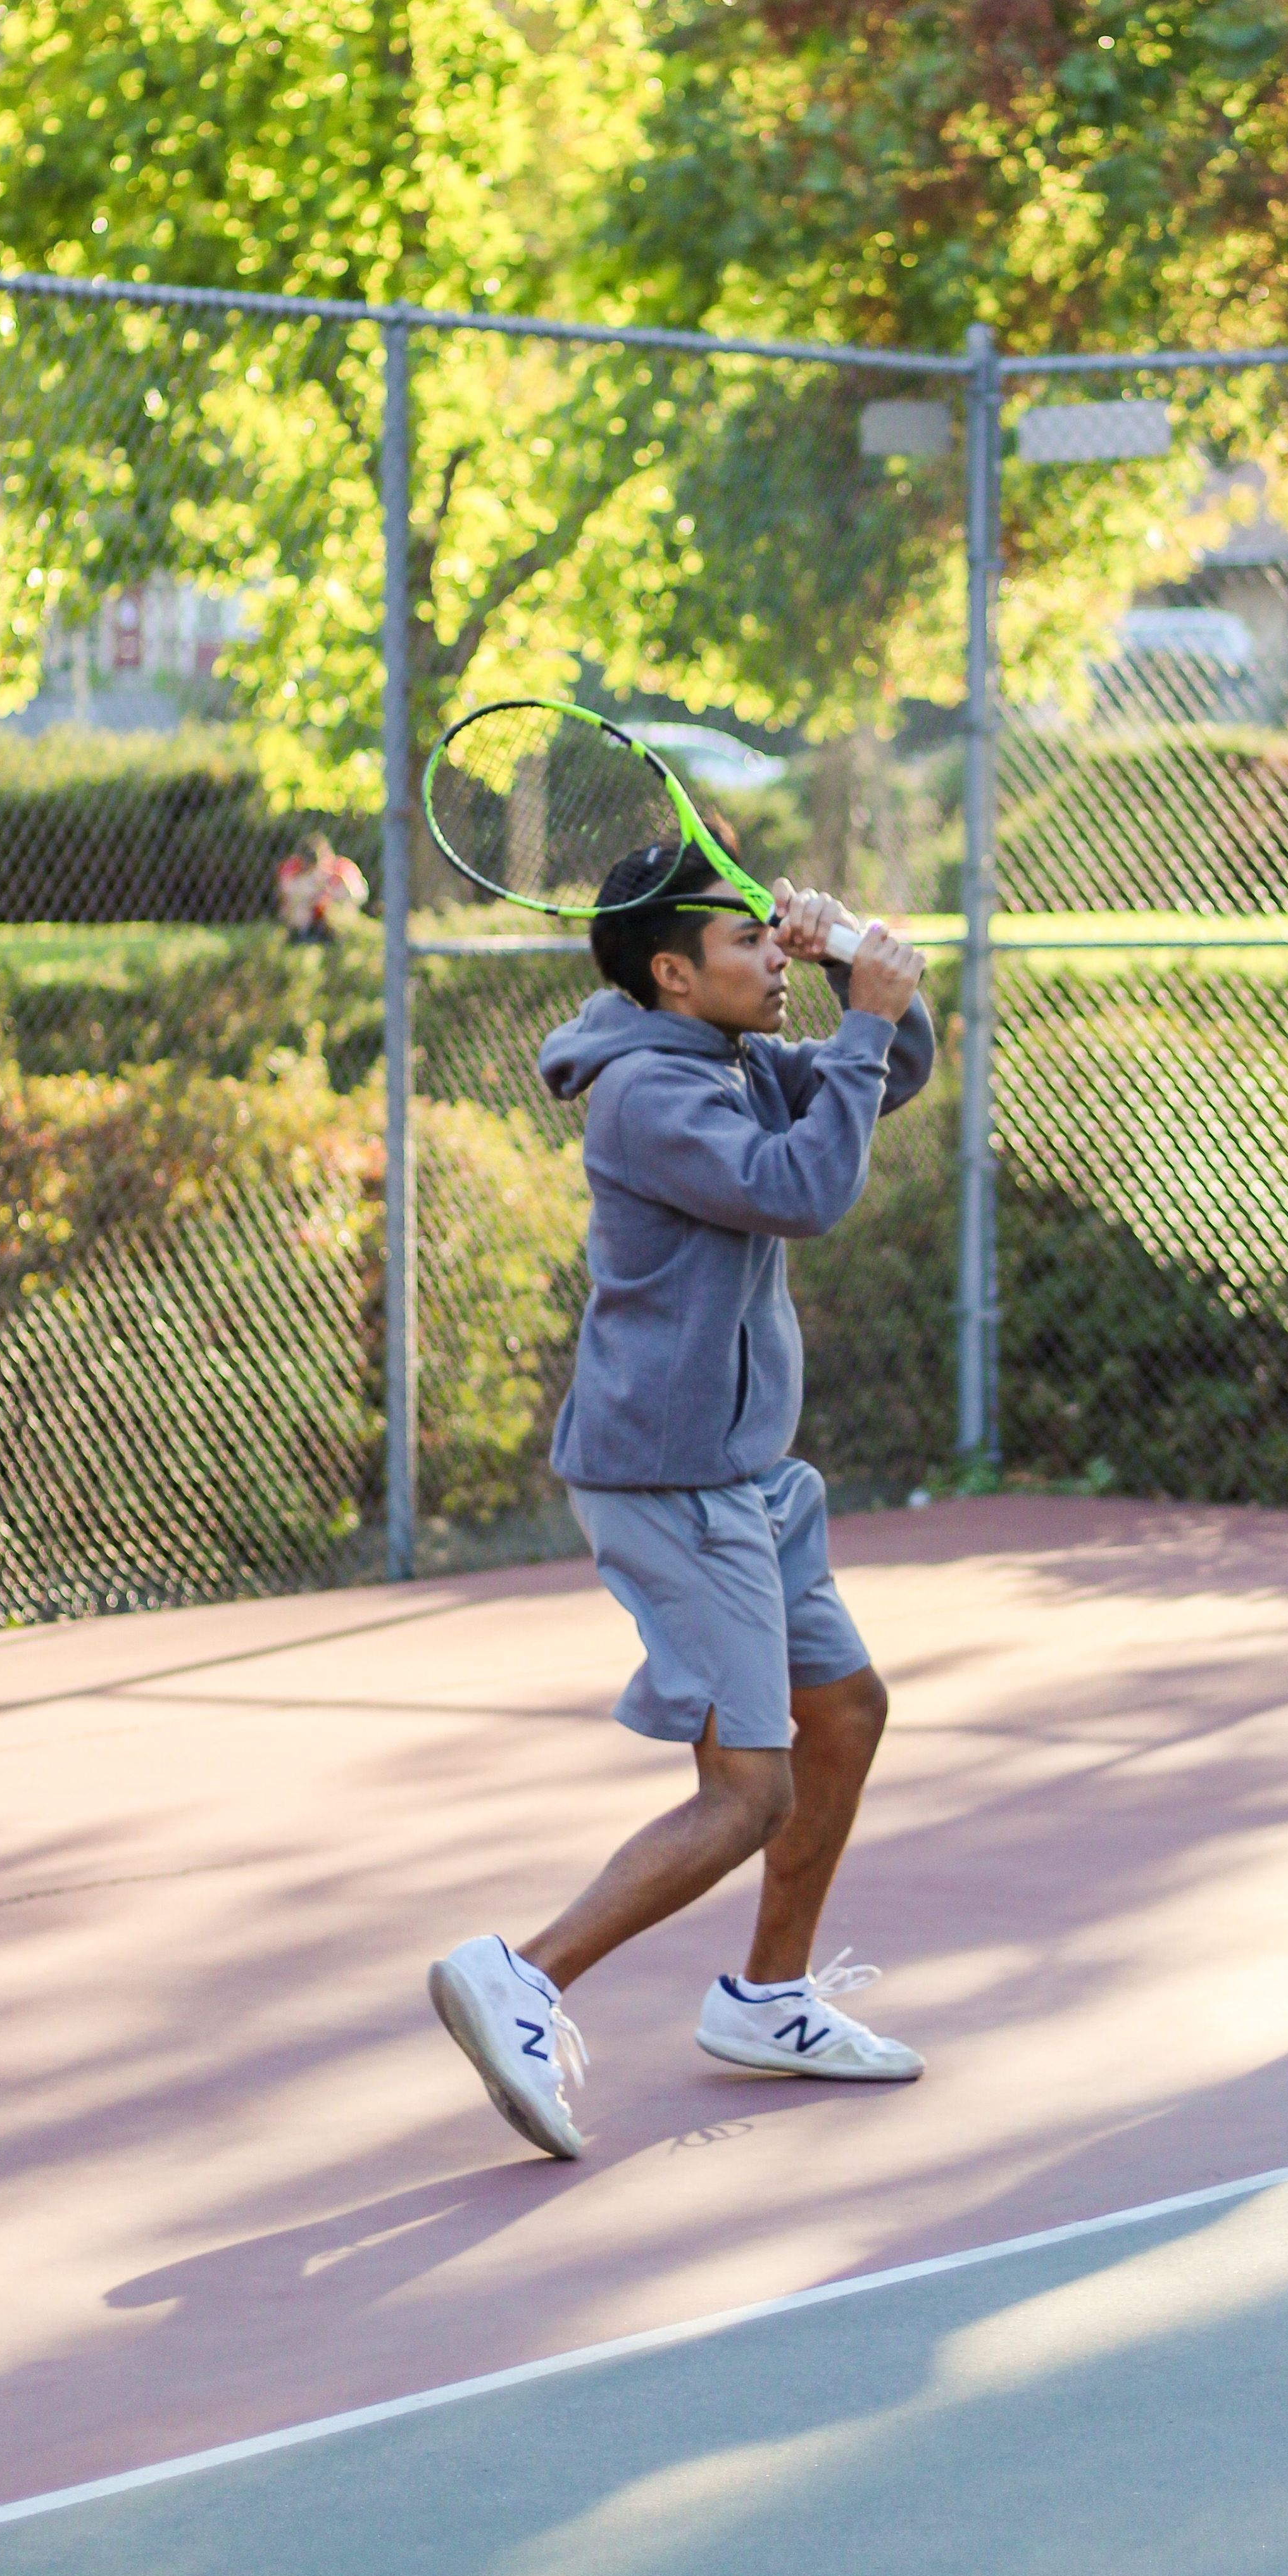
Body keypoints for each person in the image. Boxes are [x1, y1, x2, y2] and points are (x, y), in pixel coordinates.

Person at [427, 845, 935, 2158]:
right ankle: (521, 1975)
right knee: (746, 1791)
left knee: (845, 1715)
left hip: (753, 1477)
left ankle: (769, 2000)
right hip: (671, 1482)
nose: (774, 955)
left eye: (777, 938)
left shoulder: (725, 1060)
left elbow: (889, 1084)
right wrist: (865, 1016)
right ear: (671, 973)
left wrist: (855, 983)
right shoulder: (649, 1097)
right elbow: (803, 1192)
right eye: (749, 942)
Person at [276, 834, 368, 942]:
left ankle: (336, 937)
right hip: (303, 918)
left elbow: (360, 895)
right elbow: (285, 892)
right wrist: (312, 885)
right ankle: (300, 935)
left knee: (338, 907)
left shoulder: (341, 867)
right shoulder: (295, 867)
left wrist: (336, 886)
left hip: (335, 915)